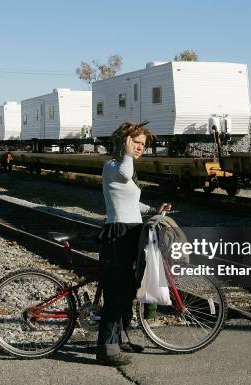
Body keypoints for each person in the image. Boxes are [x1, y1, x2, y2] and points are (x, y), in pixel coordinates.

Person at [96, 121, 171, 366]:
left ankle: (118, 338)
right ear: (124, 142)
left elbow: (130, 201)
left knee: (128, 289)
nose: (140, 148)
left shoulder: (124, 169)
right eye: (136, 143)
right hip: (118, 233)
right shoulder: (113, 166)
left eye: (142, 145)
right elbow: (125, 175)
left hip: (132, 231)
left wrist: (151, 209)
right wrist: (127, 154)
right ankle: (106, 348)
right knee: (117, 291)